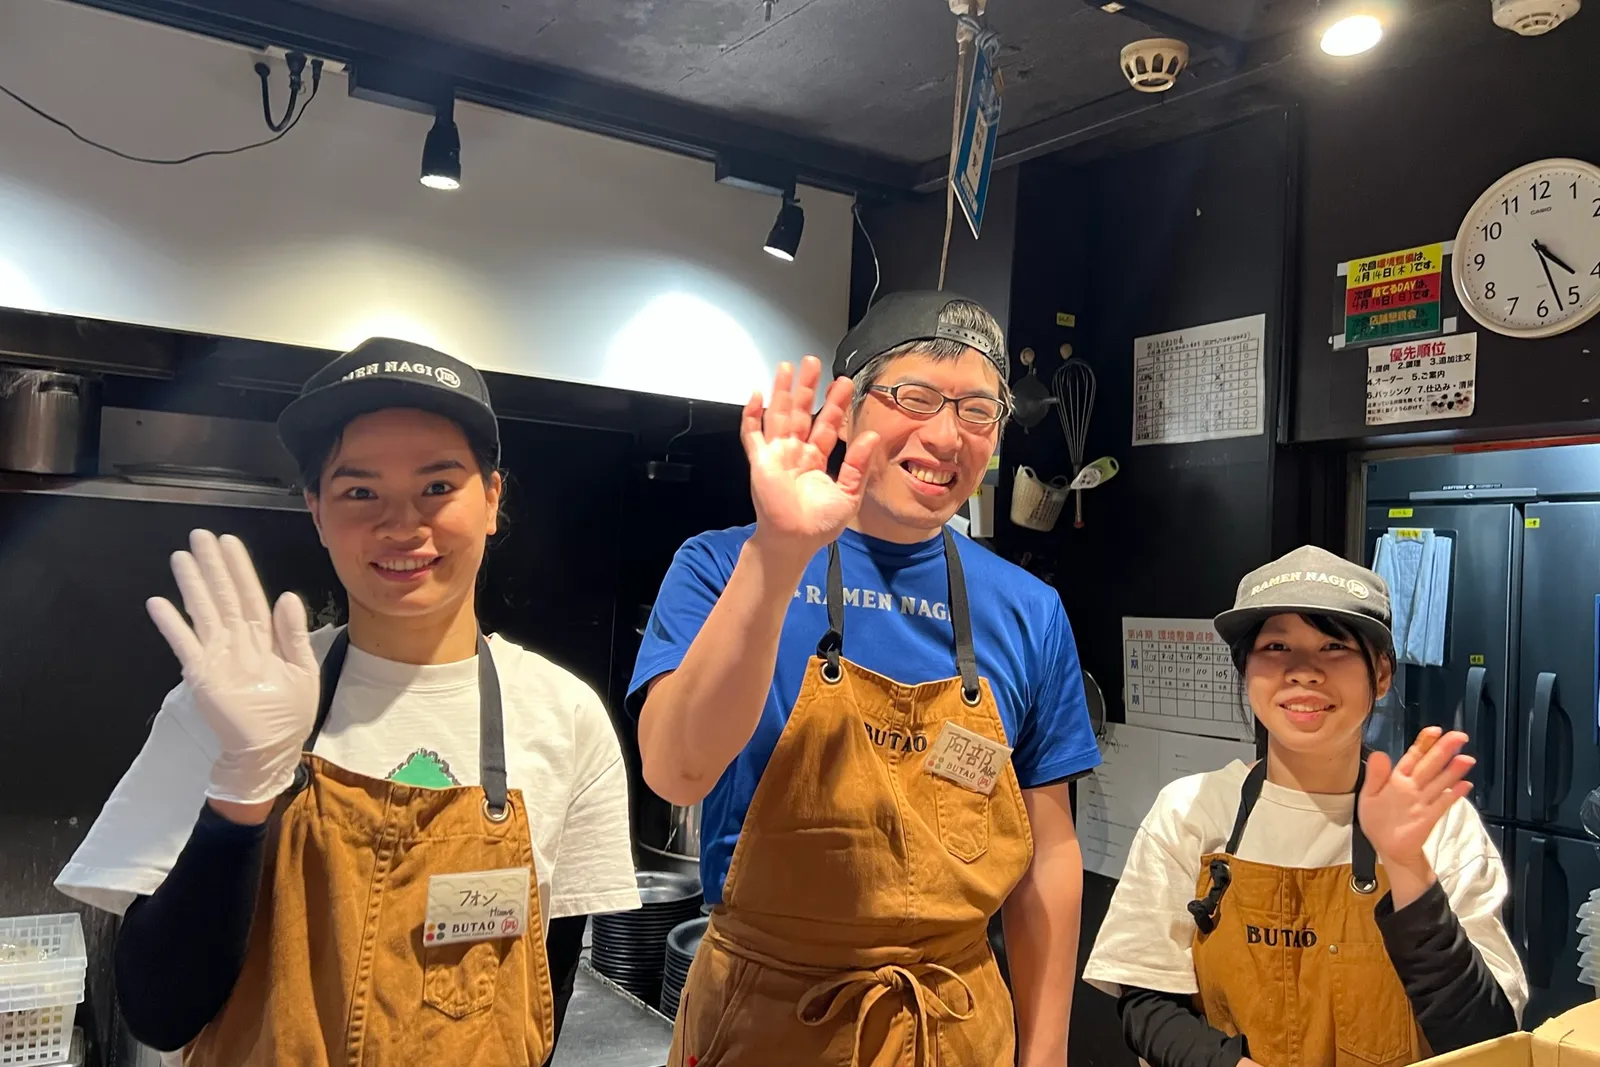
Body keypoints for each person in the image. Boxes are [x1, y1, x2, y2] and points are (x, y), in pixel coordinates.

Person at [56, 338, 640, 1065]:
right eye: (360, 491)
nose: (402, 524)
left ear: (492, 498)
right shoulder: (233, 703)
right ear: (316, 508)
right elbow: (158, 1009)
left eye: (438, 486)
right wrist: (241, 788)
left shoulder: (567, 719)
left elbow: (536, 1010)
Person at [629, 291, 1102, 1067]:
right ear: (846, 411)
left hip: (955, 1025)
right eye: (915, 398)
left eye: (978, 412)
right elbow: (675, 770)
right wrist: (777, 555)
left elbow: (1048, 852)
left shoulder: (1030, 610)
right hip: (765, 1022)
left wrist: (1043, 1055)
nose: (947, 436)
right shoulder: (723, 565)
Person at [1083, 546, 1527, 1067]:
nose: (1304, 672)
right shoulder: (1191, 810)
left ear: (1381, 674)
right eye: (1275, 646)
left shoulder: (1440, 825)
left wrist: (1406, 865)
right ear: (1245, 669)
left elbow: (1485, 1036)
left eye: (1334, 646)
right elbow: (1146, 1000)